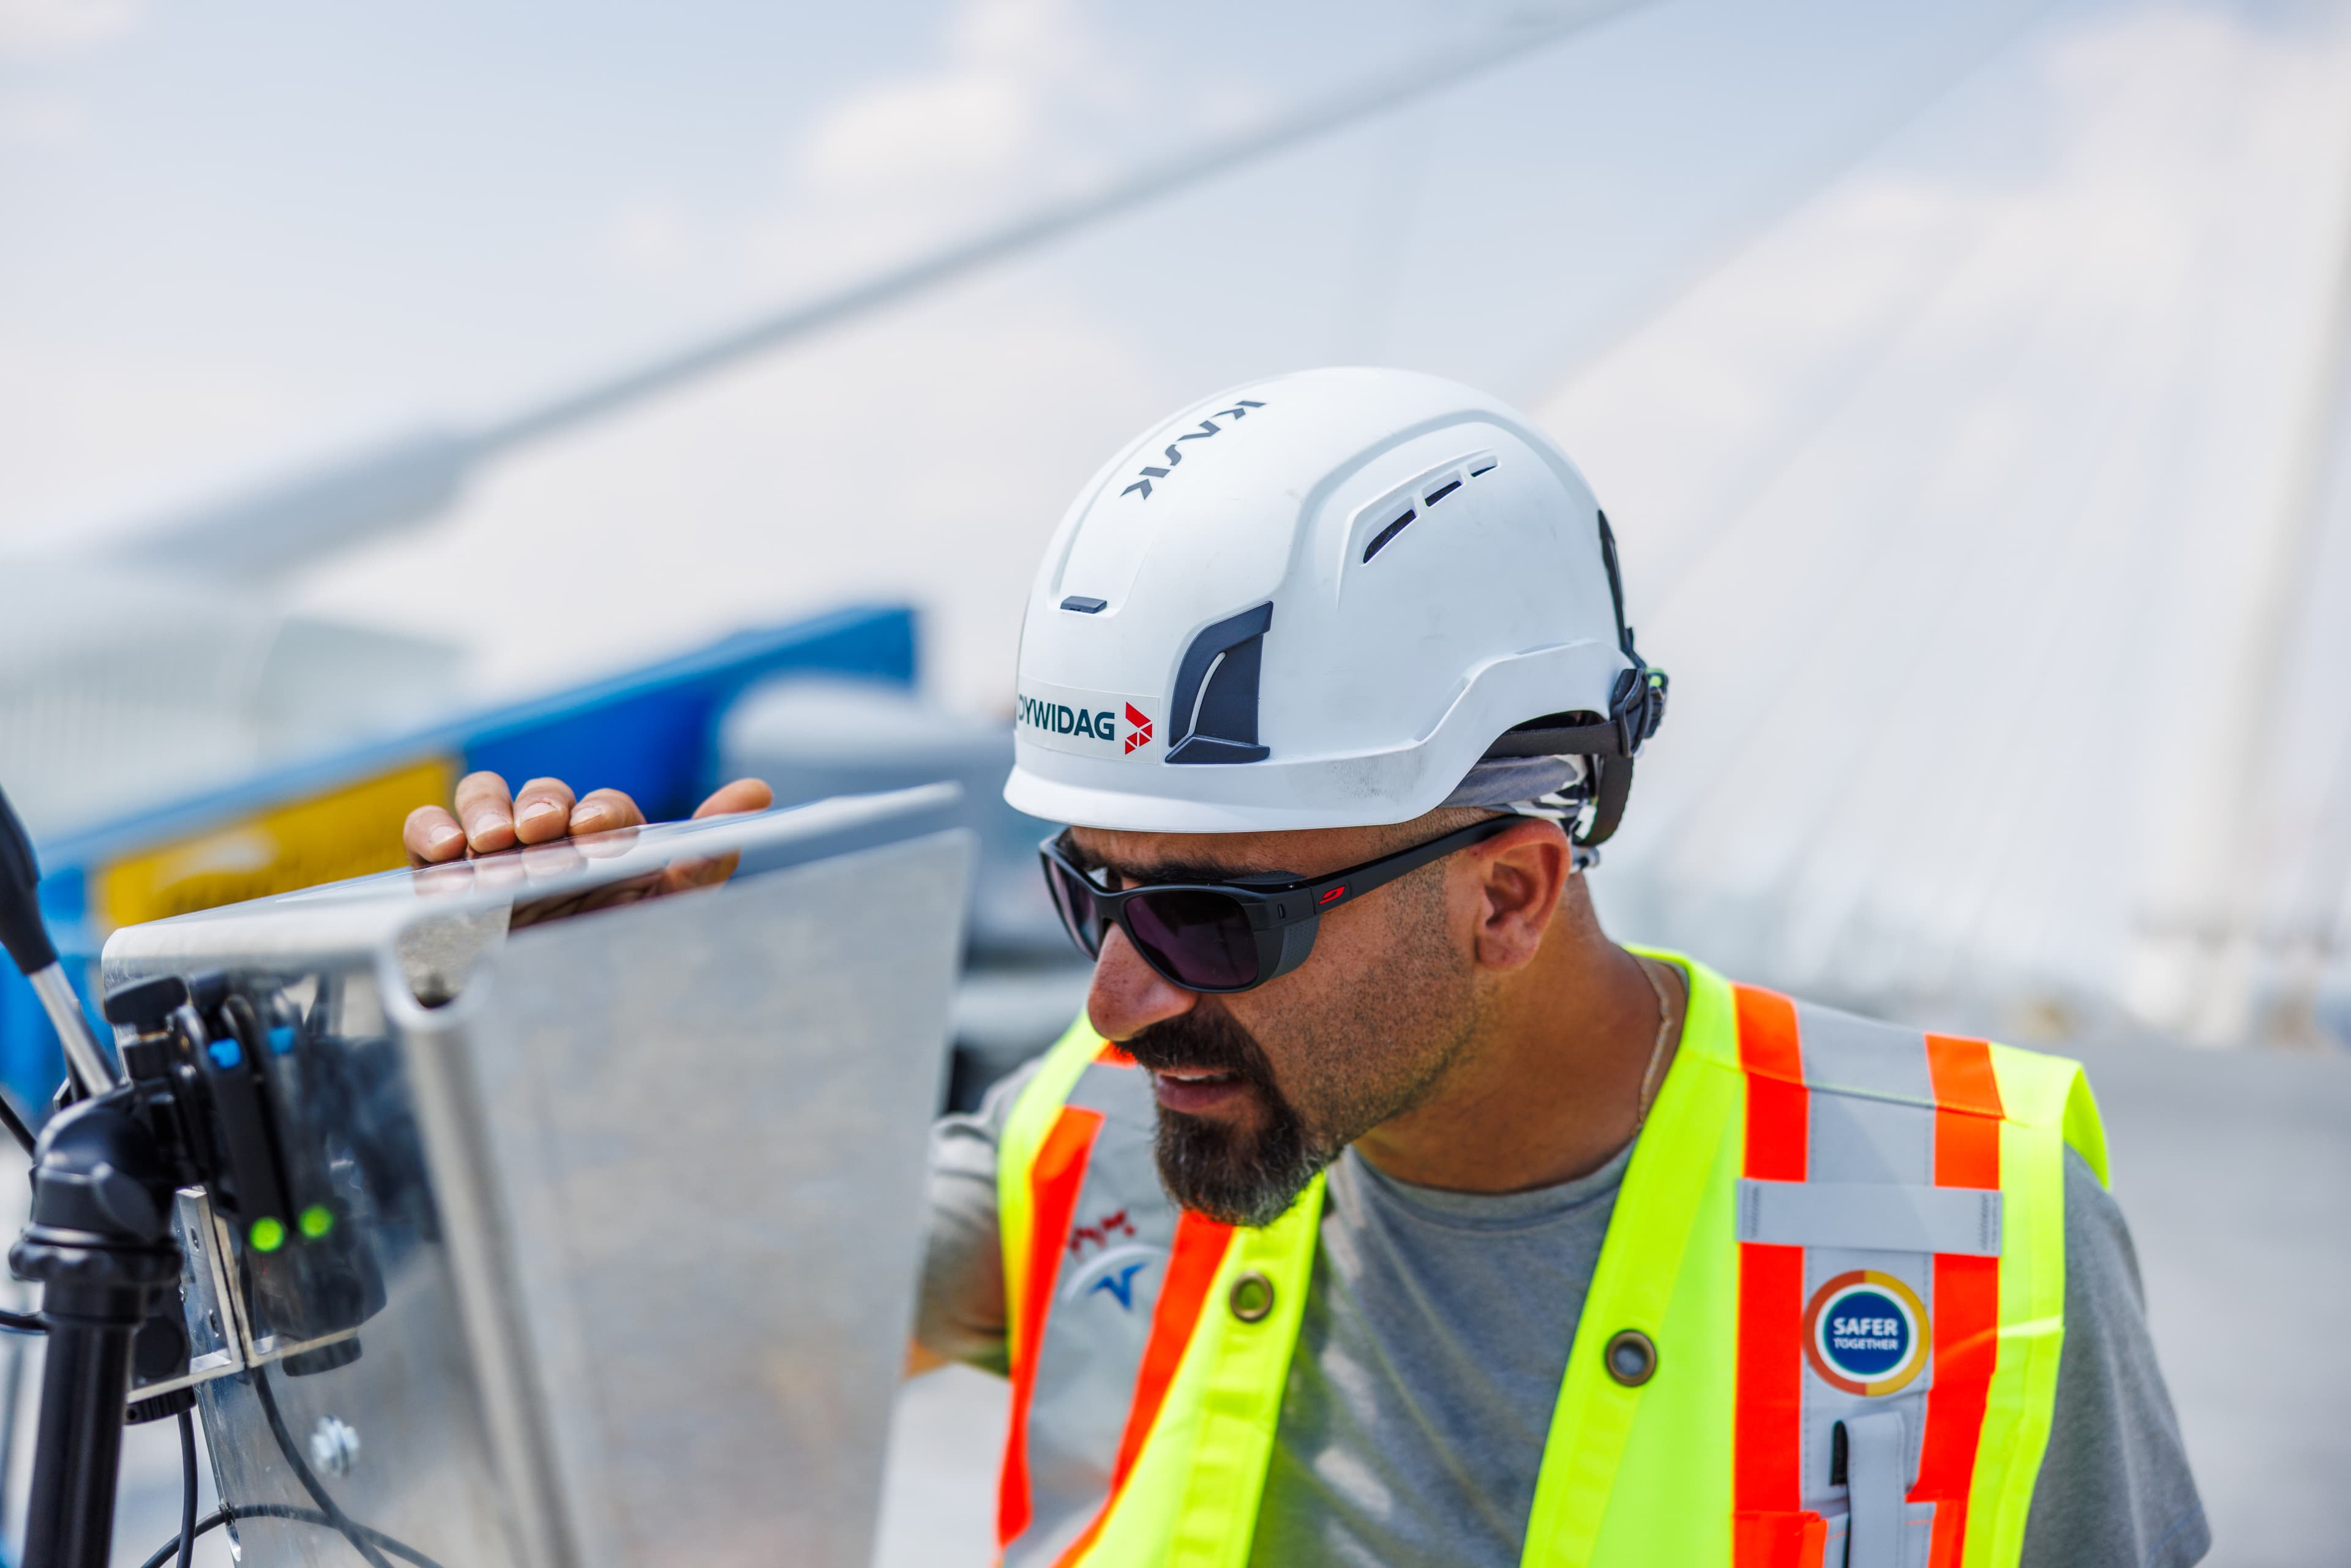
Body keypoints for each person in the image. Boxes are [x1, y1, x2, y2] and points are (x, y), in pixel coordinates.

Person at [405, 369, 2207, 1568]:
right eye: (1089, 888)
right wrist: (592, 1035)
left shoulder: (1961, 1213)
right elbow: (712, 1333)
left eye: (1209, 921)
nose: (1114, 998)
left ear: (1507, 891)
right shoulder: (1094, 1139)